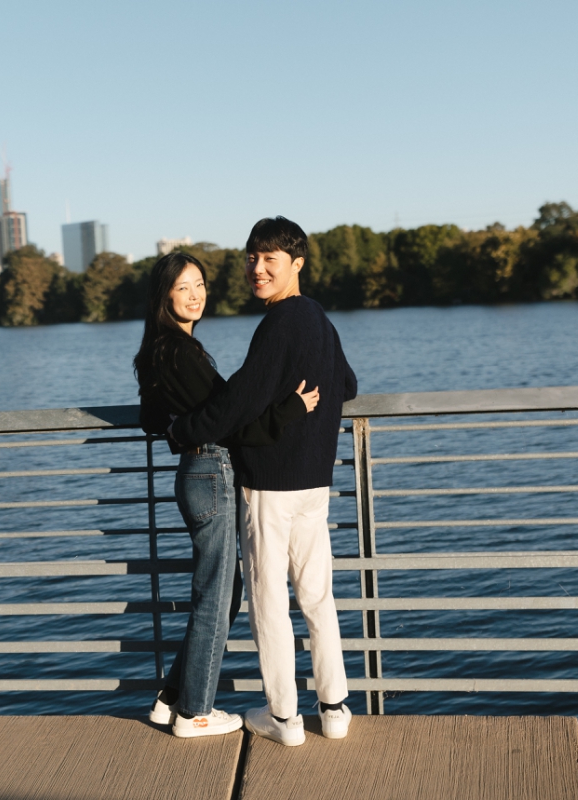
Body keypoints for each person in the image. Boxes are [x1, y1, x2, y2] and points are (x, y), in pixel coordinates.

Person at [169, 217, 357, 746]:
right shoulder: (318, 317)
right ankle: (336, 708)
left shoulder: (278, 324)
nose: (258, 268)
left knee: (270, 601)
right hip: (314, 480)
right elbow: (347, 383)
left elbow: (236, 404)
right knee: (317, 597)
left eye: (270, 259)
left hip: (271, 485)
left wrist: (183, 428)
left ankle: (284, 718)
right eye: (252, 257)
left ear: (297, 264)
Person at [135, 251, 320, 739]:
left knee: (221, 591)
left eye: (199, 285)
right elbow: (228, 418)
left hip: (196, 472)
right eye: (183, 288)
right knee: (216, 595)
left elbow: (151, 417)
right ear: (165, 297)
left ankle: (169, 699)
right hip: (211, 471)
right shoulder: (180, 352)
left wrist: (177, 426)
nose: (195, 295)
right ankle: (195, 712)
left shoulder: (161, 350)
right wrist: (289, 411)